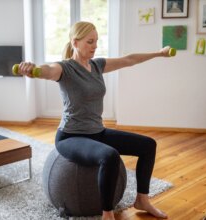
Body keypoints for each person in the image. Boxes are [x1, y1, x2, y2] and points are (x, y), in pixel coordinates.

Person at [18, 21, 171, 220]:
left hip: (97, 132)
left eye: (96, 41)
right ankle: (107, 214)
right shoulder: (64, 68)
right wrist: (32, 70)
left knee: (148, 145)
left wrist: (158, 53)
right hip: (70, 137)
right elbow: (47, 71)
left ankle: (142, 199)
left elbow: (129, 60)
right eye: (90, 41)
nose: (95, 45)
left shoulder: (97, 66)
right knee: (109, 156)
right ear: (75, 42)